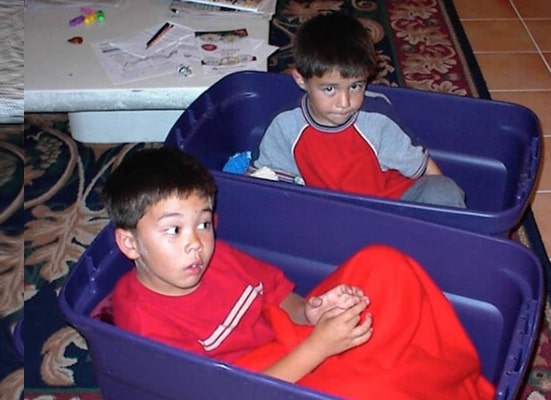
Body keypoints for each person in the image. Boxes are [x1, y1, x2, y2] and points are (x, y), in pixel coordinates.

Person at [105, 147, 494, 399]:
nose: (196, 243)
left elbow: (276, 293)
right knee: (376, 387)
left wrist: (311, 312)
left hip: (292, 343)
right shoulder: (143, 322)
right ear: (130, 244)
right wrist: (319, 347)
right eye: (173, 230)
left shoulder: (214, 255)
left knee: (384, 264)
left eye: (203, 223)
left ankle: (426, 371)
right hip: (258, 386)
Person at [251, 13, 466, 208]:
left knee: (443, 190)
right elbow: (268, 178)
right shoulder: (285, 125)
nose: (345, 102)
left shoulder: (377, 118)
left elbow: (423, 167)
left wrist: (445, 206)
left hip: (393, 207)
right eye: (329, 89)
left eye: (355, 86)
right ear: (300, 79)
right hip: (331, 213)